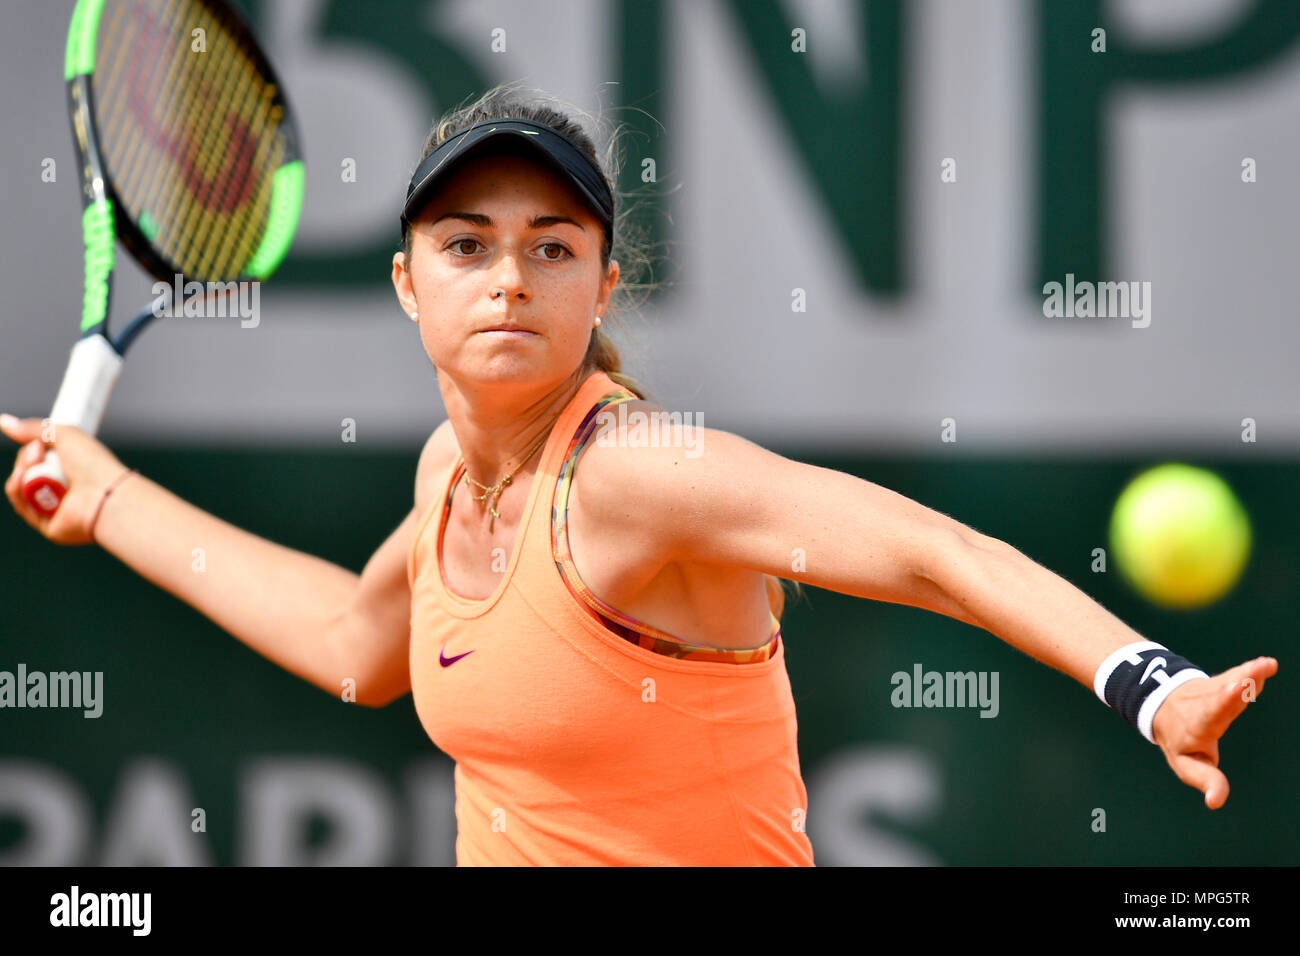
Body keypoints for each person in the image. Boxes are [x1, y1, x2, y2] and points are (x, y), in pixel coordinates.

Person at [2, 86, 1279, 867]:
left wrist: (1147, 684)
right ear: (406, 281)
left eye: (551, 247)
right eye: (466, 244)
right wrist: (110, 497)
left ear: (601, 285)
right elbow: (355, 640)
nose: (509, 276)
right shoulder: (448, 469)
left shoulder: (638, 476)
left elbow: (939, 551)